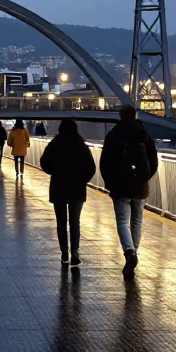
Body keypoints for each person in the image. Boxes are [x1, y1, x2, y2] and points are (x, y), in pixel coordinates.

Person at [100, 103, 158, 278]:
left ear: (120, 116)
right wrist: (144, 177)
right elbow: (153, 161)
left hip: (119, 186)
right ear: (135, 116)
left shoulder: (113, 135)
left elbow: (105, 163)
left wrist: (110, 182)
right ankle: (133, 254)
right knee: (137, 221)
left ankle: (129, 253)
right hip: (140, 185)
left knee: (122, 221)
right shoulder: (144, 135)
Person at [40, 118, 96, 266]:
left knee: (61, 222)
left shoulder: (55, 144)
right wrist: (82, 180)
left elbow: (44, 162)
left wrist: (54, 172)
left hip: (58, 187)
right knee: (74, 221)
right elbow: (91, 167)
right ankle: (75, 251)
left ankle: (64, 252)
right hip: (77, 189)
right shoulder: (81, 144)